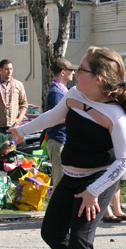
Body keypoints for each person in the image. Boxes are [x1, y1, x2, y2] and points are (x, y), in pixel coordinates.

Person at [9, 46, 126, 249]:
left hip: (98, 181)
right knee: (52, 232)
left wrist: (94, 191)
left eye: (82, 70)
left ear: (100, 78)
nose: (76, 73)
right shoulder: (74, 96)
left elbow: (124, 160)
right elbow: (51, 117)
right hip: (70, 177)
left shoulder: (115, 115)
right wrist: (22, 131)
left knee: (80, 239)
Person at [46, 58, 78, 187]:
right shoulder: (56, 93)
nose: (74, 72)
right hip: (58, 140)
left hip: (64, 140)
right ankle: (57, 207)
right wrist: (76, 117)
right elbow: (55, 119)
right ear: (63, 72)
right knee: (60, 182)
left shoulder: (62, 90)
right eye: (71, 70)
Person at [0, 59, 28, 143]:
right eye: (6, 69)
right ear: (0, 70)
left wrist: (19, 119)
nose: (9, 71)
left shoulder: (18, 84)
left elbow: (24, 104)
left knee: (11, 151)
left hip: (13, 125)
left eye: (11, 69)